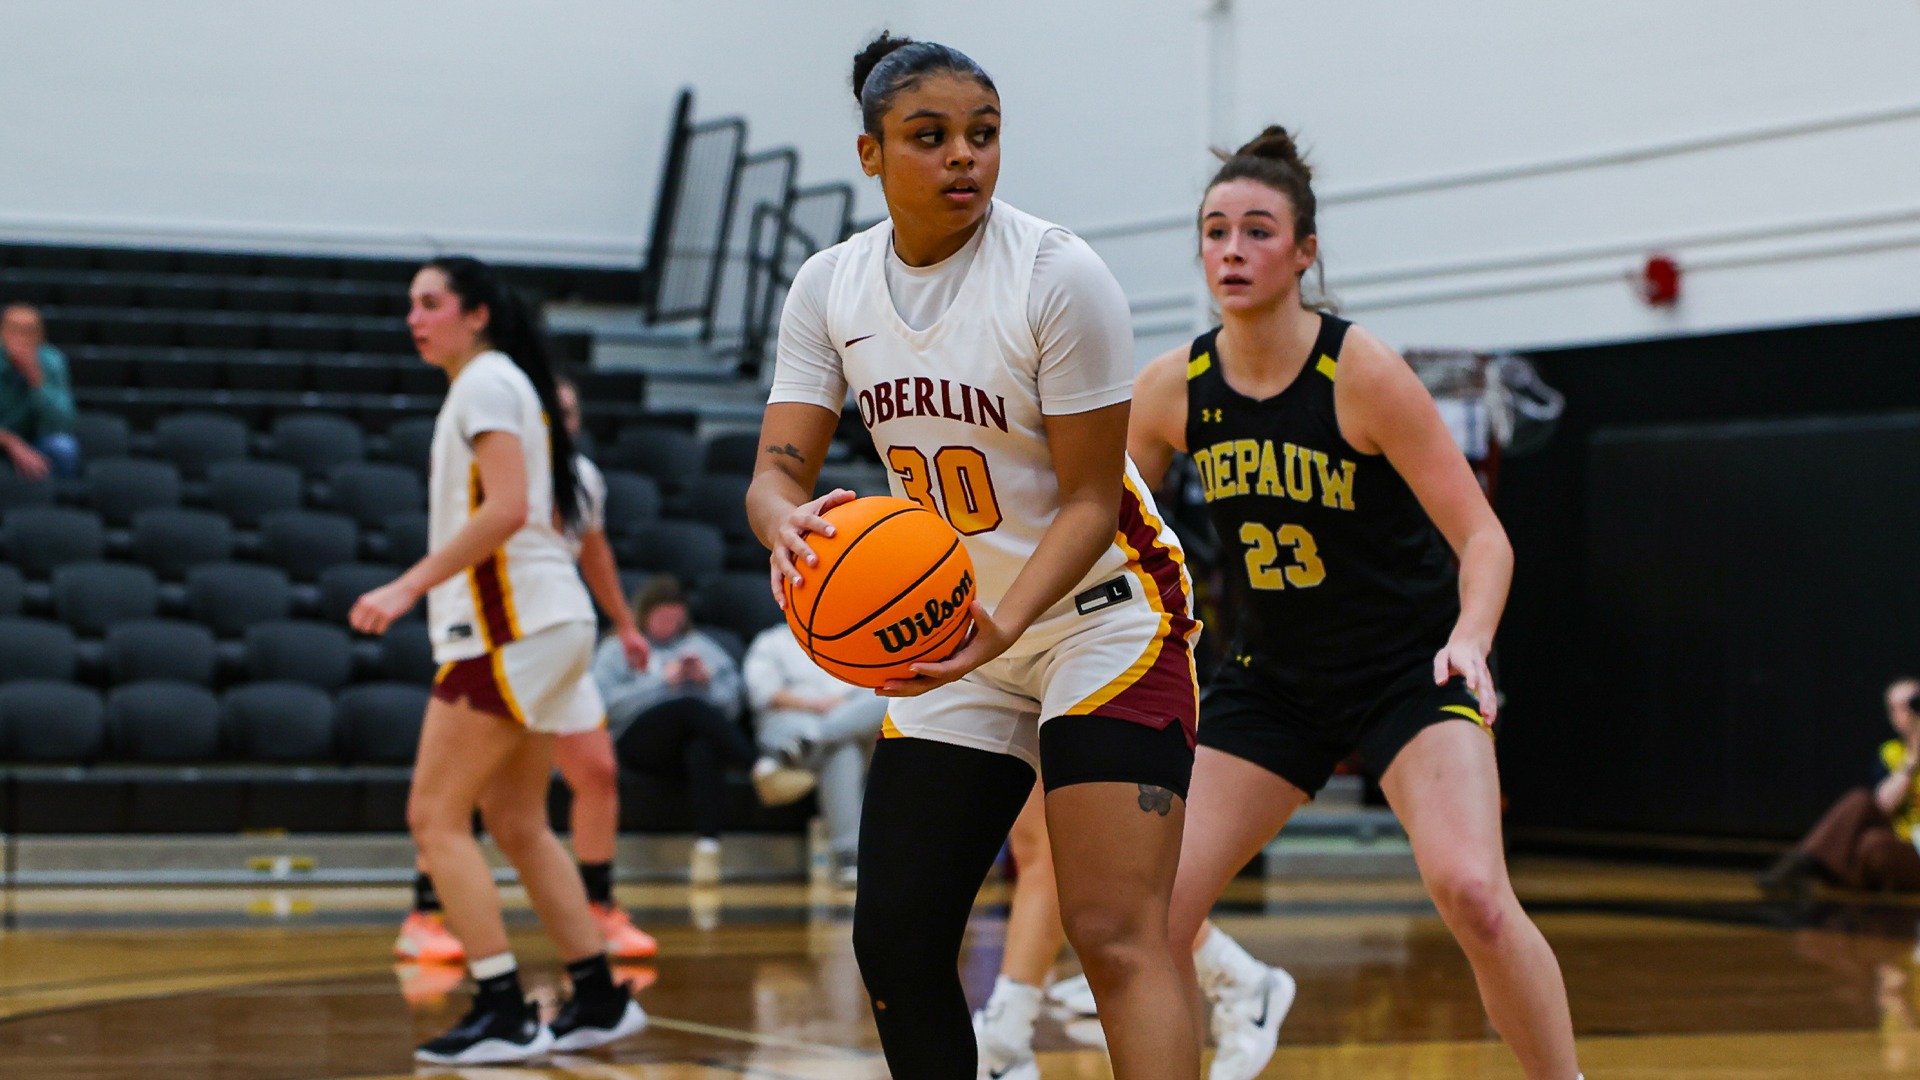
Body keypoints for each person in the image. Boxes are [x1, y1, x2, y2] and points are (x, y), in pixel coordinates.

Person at [748, 33, 1202, 1080]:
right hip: (955, 628)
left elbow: (1094, 499)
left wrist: (1003, 625)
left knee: (1114, 933)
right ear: (871, 155)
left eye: (983, 136)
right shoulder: (830, 287)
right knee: (896, 940)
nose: (965, 158)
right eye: (931, 136)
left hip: (1107, 614)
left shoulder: (1057, 274)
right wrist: (783, 523)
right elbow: (775, 472)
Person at [1126, 126, 1584, 1080]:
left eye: (1258, 231)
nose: (1233, 251)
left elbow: (1484, 538)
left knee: (1474, 895)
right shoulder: (1175, 388)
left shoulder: (1357, 371)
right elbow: (1105, 525)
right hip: (1275, 680)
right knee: (1153, 916)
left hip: (1406, 670)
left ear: (1305, 251)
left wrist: (1472, 638)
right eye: (1215, 231)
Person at [349, 256, 645, 1064]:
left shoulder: (484, 384)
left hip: (510, 628)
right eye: (409, 304)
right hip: (549, 625)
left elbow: (510, 506)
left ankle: (504, 1007)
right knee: (516, 821)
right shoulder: (507, 381)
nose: (415, 318)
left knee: (433, 818)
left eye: (430, 303)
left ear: (475, 313)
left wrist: (409, 585)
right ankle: (595, 995)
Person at [396, 374, 660, 966]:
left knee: (590, 774)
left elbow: (594, 551)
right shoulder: (496, 458)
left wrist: (625, 622)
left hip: (555, 633)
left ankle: (595, 914)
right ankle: (426, 914)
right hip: (504, 630)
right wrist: (413, 586)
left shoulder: (581, 476)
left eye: (570, 413)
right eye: (551, 411)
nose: (561, 422)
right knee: (461, 792)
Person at [592, 575, 809, 884]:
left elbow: (733, 708)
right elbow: (604, 707)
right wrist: (664, 683)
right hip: (634, 741)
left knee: (702, 747)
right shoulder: (618, 647)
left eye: (676, 619)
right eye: (662, 618)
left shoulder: (701, 647)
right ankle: (761, 768)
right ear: (644, 614)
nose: (669, 626)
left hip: (683, 745)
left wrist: (706, 683)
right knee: (688, 706)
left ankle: (707, 849)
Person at [741, 622, 888, 887]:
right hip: (790, 721)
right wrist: (814, 705)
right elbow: (761, 693)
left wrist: (839, 710)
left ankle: (807, 743)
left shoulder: (852, 636)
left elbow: (871, 684)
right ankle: (846, 855)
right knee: (843, 748)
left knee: (887, 698)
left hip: (843, 719)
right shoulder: (771, 641)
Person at [1759, 677, 1920, 897]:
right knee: (1863, 813)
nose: (1907, 713)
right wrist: (1911, 763)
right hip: (1896, 841)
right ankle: (1803, 861)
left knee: (1875, 851)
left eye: (1912, 704)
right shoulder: (1891, 753)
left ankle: (1815, 867)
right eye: (1896, 708)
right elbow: (1882, 805)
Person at [0, 302, 79, 481]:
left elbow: (64, 423)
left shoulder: (53, 362)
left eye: (28, 331)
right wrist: (10, 441)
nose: (20, 338)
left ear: (40, 336)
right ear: (1, 333)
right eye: (13, 330)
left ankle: (57, 505)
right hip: (3, 438)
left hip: (37, 440)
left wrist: (37, 381)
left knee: (63, 447)